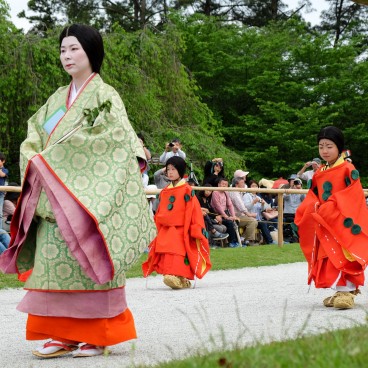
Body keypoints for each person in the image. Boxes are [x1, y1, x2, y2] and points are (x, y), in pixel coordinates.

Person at [0, 24, 156, 358]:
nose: (67, 56)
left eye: (74, 49)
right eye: (62, 50)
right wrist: (38, 159)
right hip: (53, 201)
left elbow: (116, 144)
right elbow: (35, 139)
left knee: (89, 270)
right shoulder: (56, 100)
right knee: (53, 268)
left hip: (88, 200)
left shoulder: (106, 96)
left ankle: (97, 334)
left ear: (91, 52)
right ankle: (61, 334)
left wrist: (56, 159)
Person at [295, 126, 368, 310]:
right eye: (321, 147)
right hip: (324, 220)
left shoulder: (347, 168)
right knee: (327, 254)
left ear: (339, 147)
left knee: (344, 252)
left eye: (329, 146)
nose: (325, 151)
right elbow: (313, 195)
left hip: (341, 220)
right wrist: (310, 208)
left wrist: (332, 205)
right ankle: (340, 290)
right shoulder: (319, 171)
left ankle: (347, 290)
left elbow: (354, 194)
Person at [142, 156, 211, 289]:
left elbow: (194, 210)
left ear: (180, 170)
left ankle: (178, 275)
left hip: (181, 229)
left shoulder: (187, 189)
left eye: (173, 169)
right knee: (165, 250)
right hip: (166, 228)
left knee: (177, 251)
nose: (170, 172)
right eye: (168, 169)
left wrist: (195, 227)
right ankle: (173, 275)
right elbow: (160, 211)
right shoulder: (165, 191)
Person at [211, 177, 241, 247]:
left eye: (226, 184)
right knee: (230, 223)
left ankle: (237, 241)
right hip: (217, 215)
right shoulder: (215, 192)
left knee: (235, 221)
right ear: (218, 184)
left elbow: (230, 205)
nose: (224, 186)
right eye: (223, 184)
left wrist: (233, 216)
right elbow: (218, 206)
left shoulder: (226, 193)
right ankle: (231, 242)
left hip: (225, 213)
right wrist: (226, 216)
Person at [229, 177, 258, 246]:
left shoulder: (239, 192)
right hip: (235, 216)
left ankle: (243, 238)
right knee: (253, 221)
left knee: (254, 221)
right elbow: (241, 206)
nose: (244, 184)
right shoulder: (234, 192)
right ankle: (248, 240)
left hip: (240, 215)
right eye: (242, 182)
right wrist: (249, 214)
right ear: (236, 184)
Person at [247, 180, 275, 245]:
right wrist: (253, 202)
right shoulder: (247, 195)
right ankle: (270, 241)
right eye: (252, 186)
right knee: (263, 223)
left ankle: (270, 240)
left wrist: (262, 204)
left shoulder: (258, 197)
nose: (254, 187)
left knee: (270, 223)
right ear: (249, 187)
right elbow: (246, 208)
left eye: (256, 186)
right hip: (251, 218)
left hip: (259, 218)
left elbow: (261, 210)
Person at [0, 152, 9, 229]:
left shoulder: (5, 170)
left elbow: (2, 175)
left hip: (0, 194)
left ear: (3, 161)